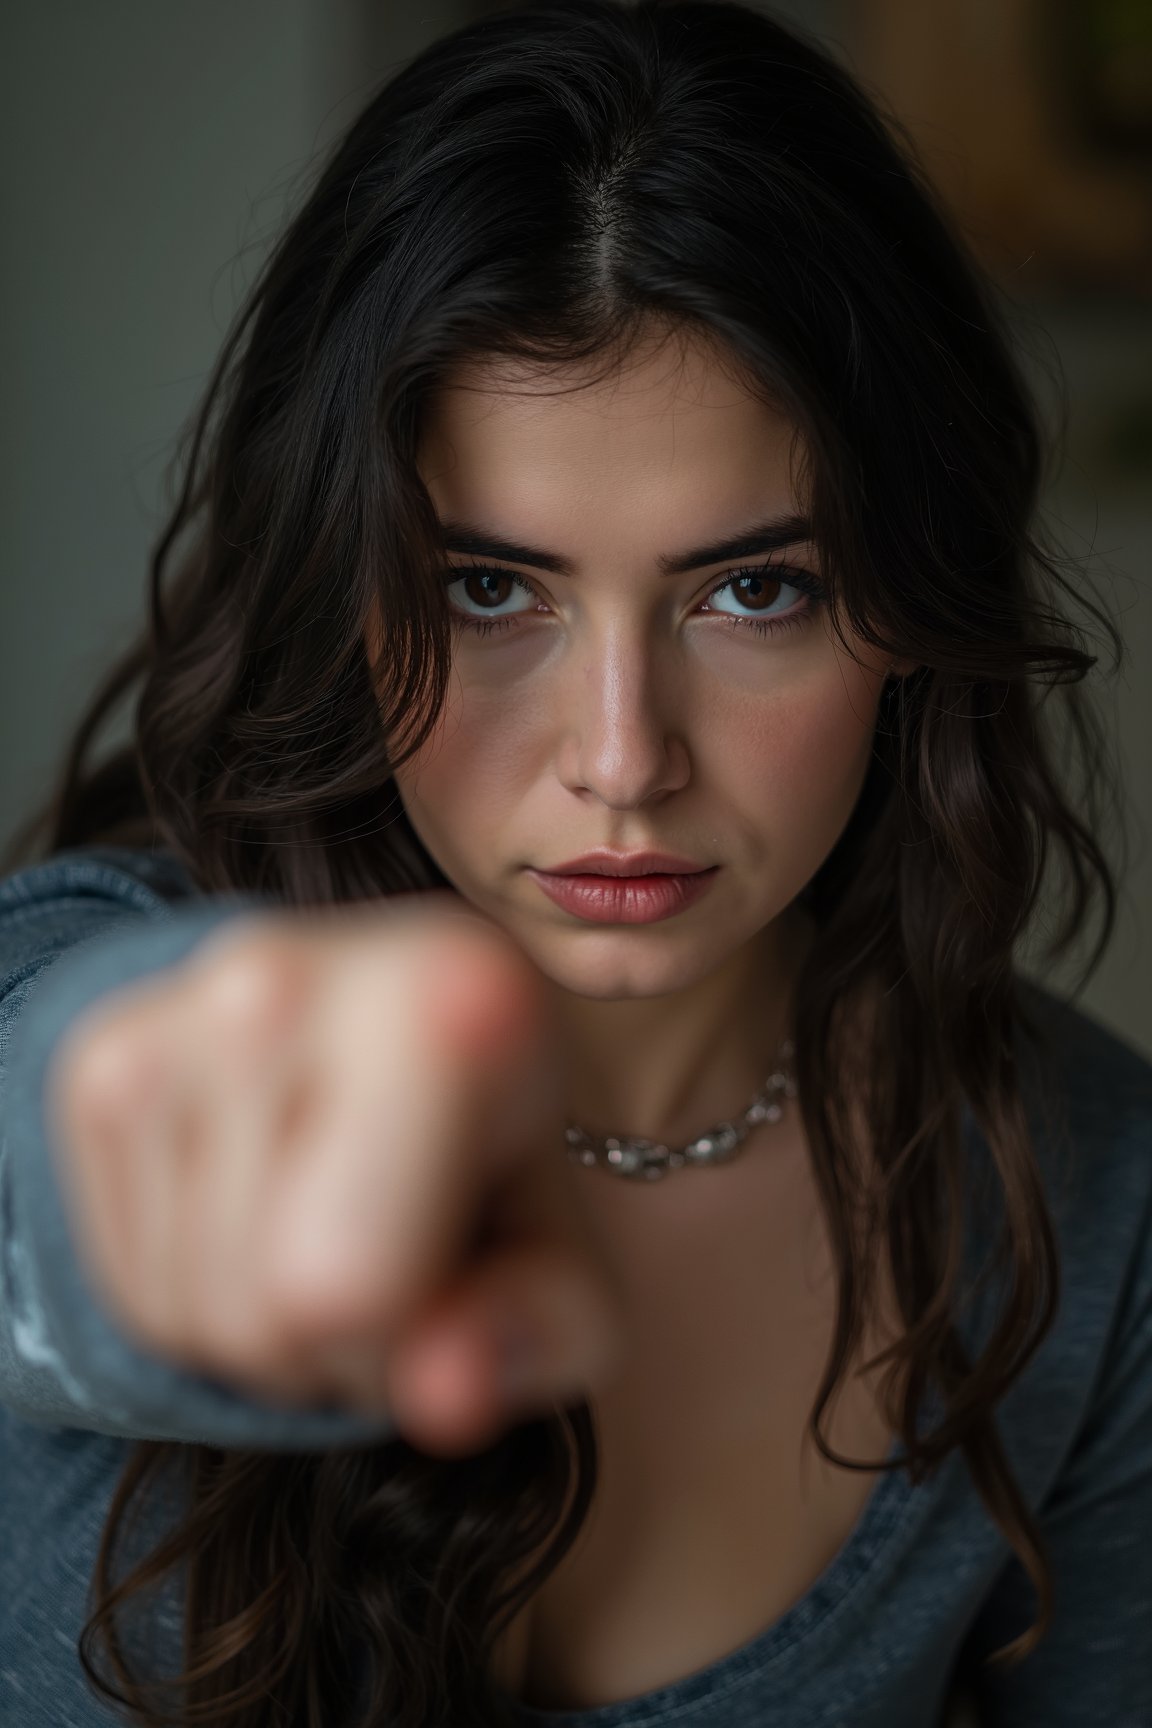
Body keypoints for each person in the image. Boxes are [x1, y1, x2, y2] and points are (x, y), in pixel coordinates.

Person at [1, 1, 1149, 1724]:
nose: (623, 755)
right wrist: (143, 1218)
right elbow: (62, 1133)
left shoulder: (1096, 1202)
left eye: (756, 590)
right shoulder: (95, 988)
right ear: (339, 590)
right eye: (489, 589)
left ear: (912, 612)